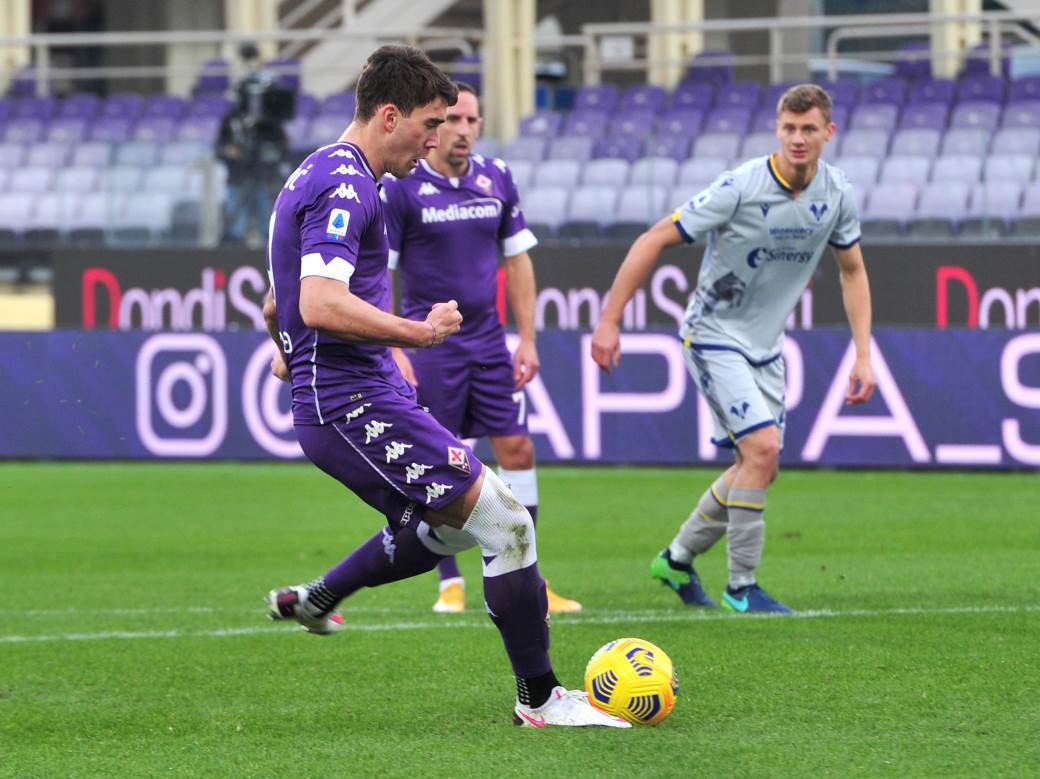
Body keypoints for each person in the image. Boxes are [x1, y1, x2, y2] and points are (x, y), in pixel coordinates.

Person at [263, 45, 626, 728]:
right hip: (350, 402)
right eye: (430, 124)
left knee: (445, 528)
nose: (437, 139)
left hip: (355, 393)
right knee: (507, 523)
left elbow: (279, 304)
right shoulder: (347, 184)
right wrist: (415, 334)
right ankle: (542, 700)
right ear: (391, 115)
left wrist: (289, 352)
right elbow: (315, 301)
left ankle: (317, 596)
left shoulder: (322, 173)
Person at [591, 84, 876, 614]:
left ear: (828, 133)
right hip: (714, 336)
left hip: (767, 347)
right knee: (762, 451)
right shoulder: (740, 187)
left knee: (757, 465)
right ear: (777, 129)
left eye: (809, 129)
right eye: (789, 128)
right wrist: (610, 320)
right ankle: (742, 587)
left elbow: (853, 271)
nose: (797, 138)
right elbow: (653, 238)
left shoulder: (837, 193)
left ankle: (675, 561)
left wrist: (864, 354)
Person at [381, 82, 582, 615]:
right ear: (435, 124)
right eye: (454, 120)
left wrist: (530, 339)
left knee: (517, 450)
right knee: (444, 460)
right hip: (433, 348)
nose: (465, 130)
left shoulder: (497, 179)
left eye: (473, 120)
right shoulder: (402, 189)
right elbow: (382, 271)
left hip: (491, 344)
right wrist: (395, 343)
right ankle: (450, 580)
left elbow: (517, 261)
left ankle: (531, 581)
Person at [216, 43, 291, 245]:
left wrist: (279, 145)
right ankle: (233, 251)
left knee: (270, 227)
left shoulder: (271, 124)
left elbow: (282, 145)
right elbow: (218, 147)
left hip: (265, 175)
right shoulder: (231, 119)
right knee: (236, 228)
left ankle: (271, 263)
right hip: (238, 176)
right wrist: (228, 151)